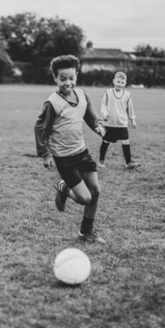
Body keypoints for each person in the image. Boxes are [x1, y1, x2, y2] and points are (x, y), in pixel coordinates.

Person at [34, 55, 107, 244]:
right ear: (55, 79)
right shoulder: (52, 103)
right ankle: (63, 187)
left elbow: (91, 117)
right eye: (63, 79)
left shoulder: (83, 95)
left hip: (81, 152)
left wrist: (98, 126)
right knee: (84, 198)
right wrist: (46, 153)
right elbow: (41, 128)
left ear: (76, 76)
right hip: (63, 157)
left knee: (95, 191)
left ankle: (86, 232)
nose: (68, 83)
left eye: (71, 78)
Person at [98, 71, 141, 169]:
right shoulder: (108, 92)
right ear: (113, 81)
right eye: (118, 82)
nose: (119, 84)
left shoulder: (127, 95)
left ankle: (128, 162)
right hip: (109, 123)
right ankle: (101, 161)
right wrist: (105, 114)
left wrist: (133, 119)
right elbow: (103, 105)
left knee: (126, 141)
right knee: (106, 141)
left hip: (122, 123)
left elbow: (130, 108)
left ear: (125, 84)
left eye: (122, 82)